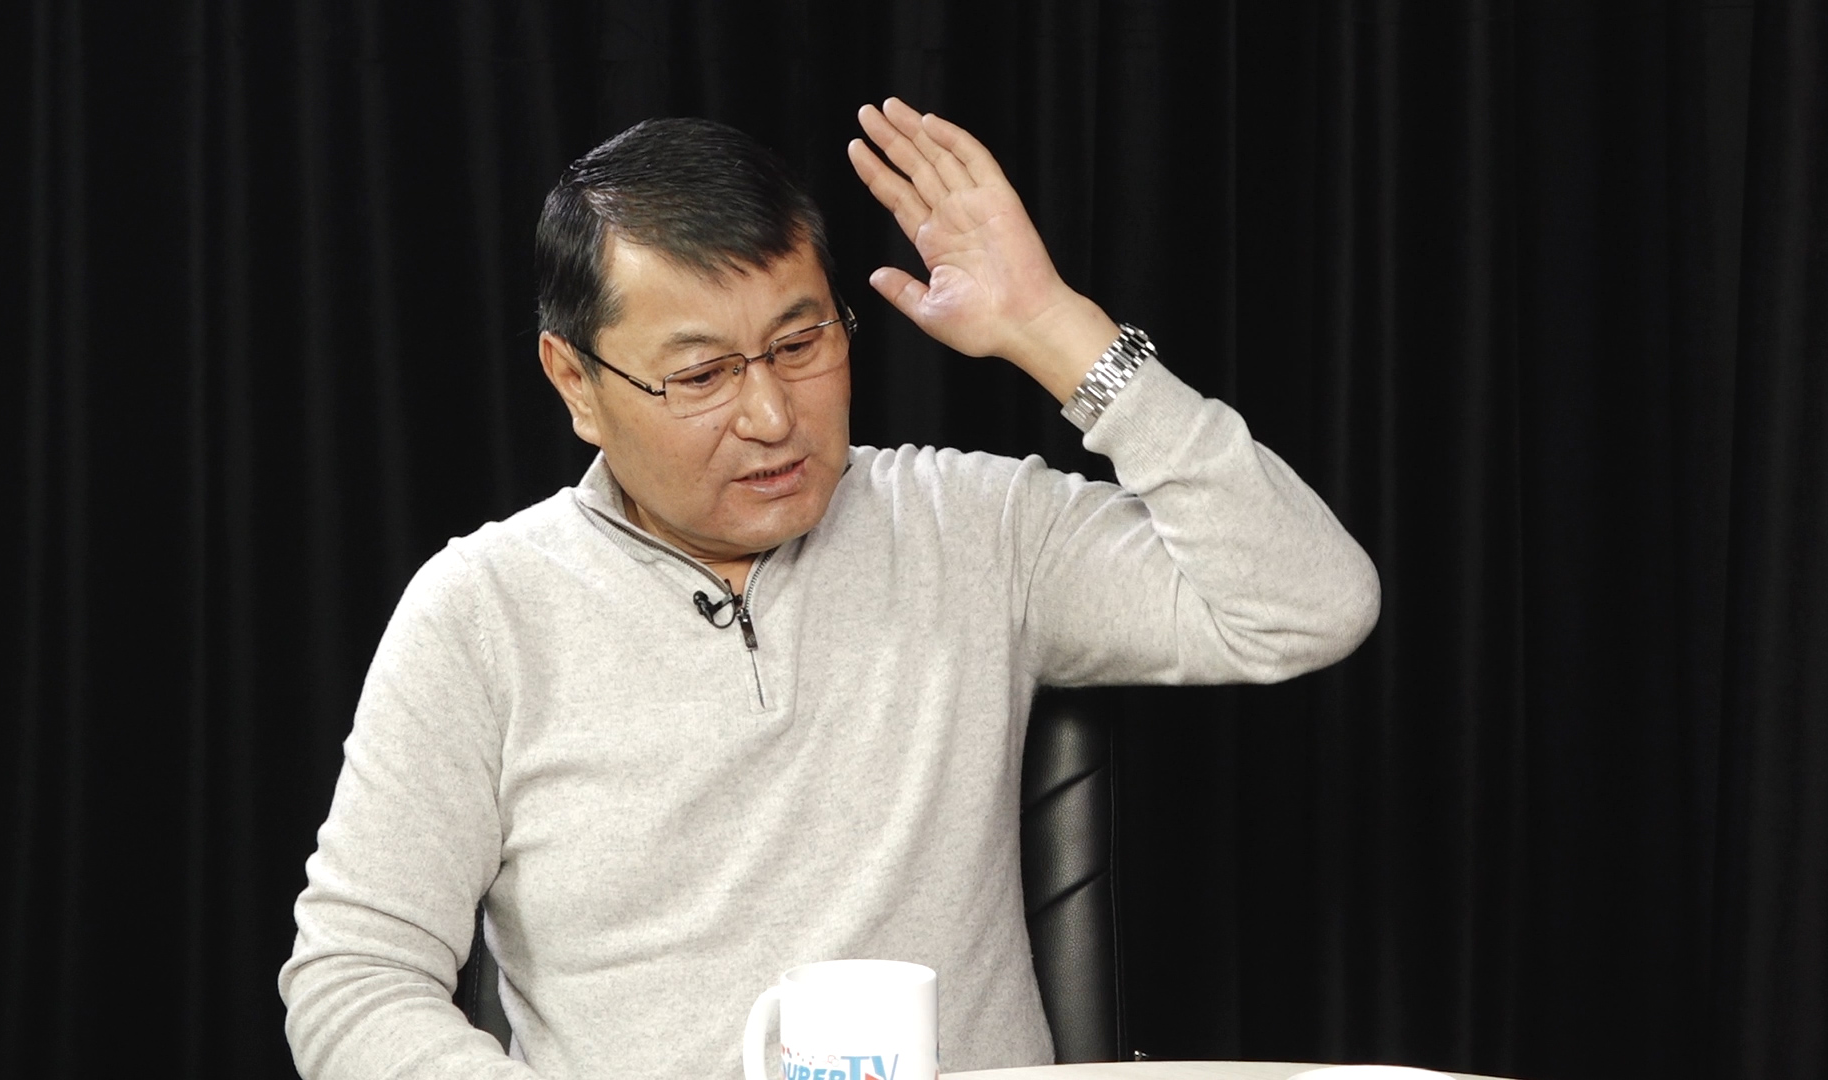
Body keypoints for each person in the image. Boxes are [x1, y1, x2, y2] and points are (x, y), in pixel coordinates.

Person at [279, 97, 1379, 1079]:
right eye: (702, 374)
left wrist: (1057, 330)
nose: (771, 416)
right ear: (575, 380)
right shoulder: (482, 610)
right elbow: (352, 979)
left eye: (801, 343)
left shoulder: (971, 527)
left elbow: (1308, 603)